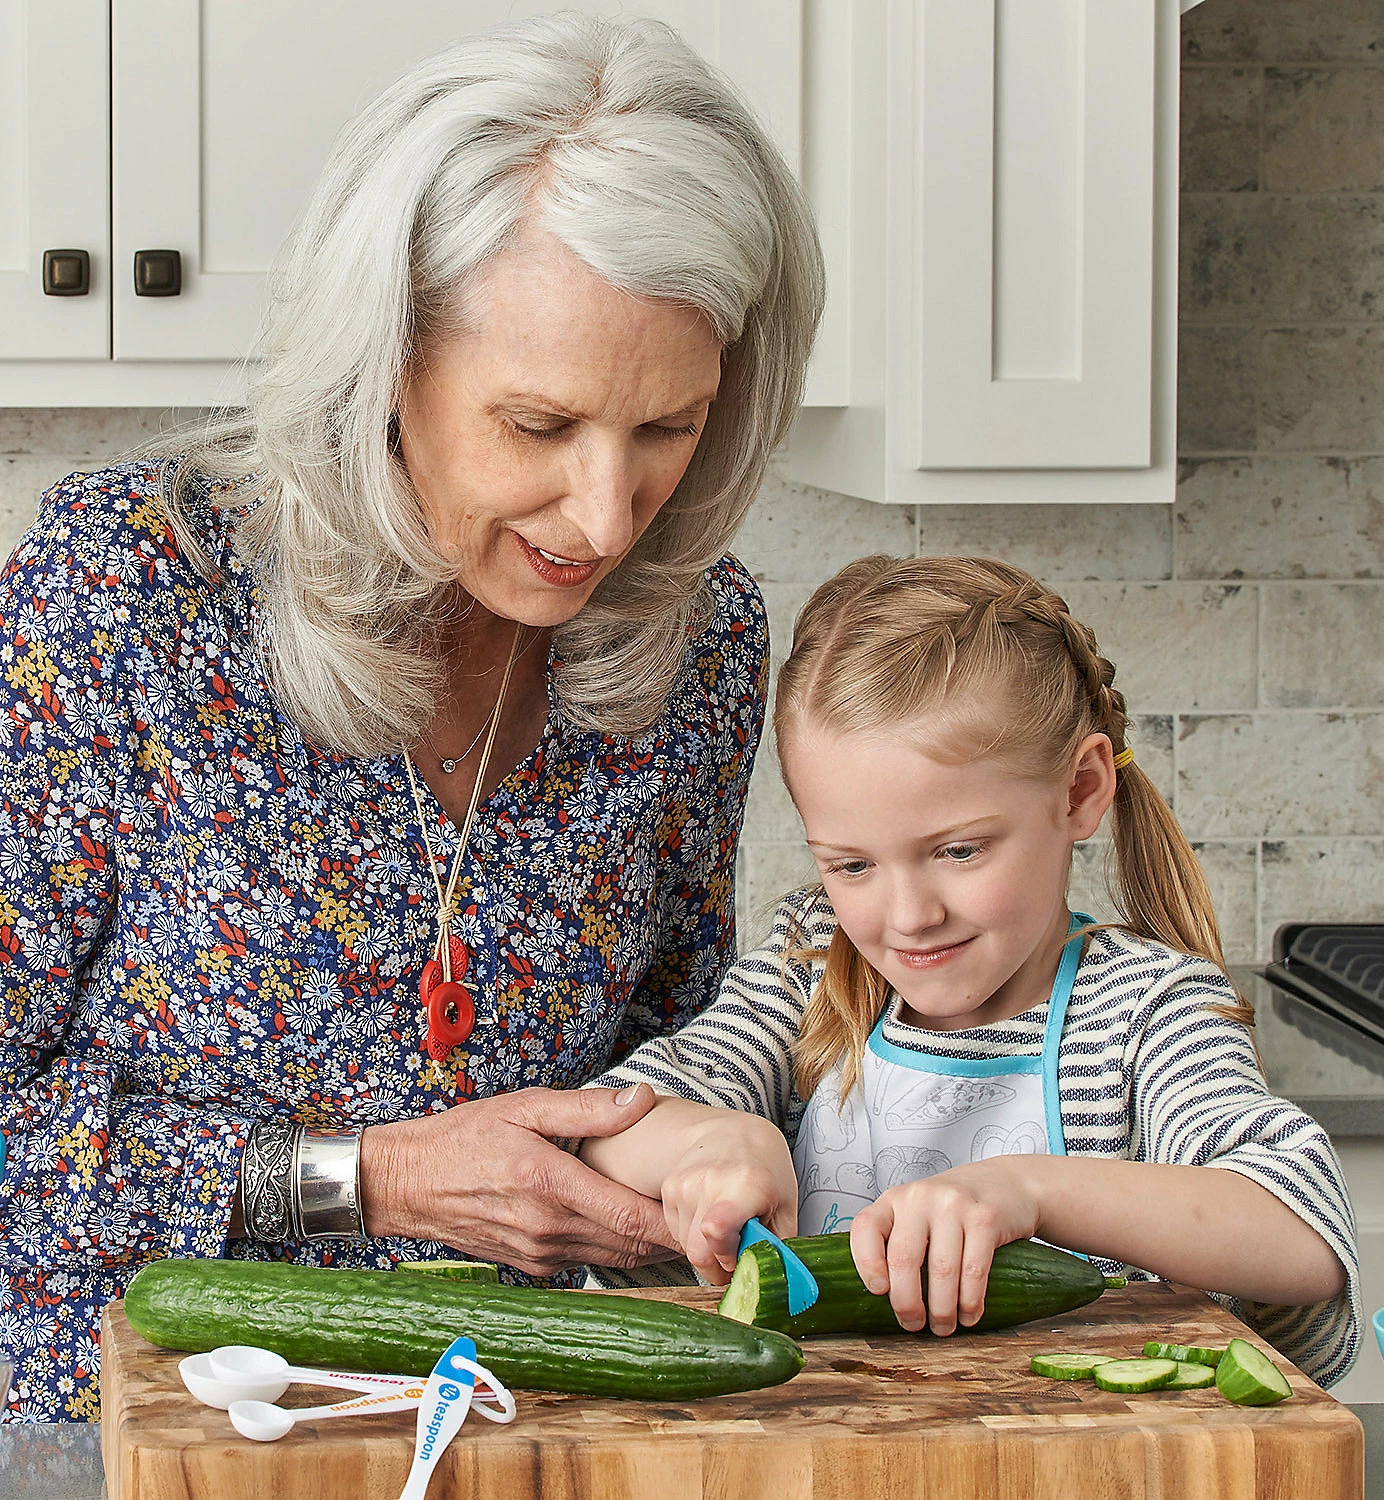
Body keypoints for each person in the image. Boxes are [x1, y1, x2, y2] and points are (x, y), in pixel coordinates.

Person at [0, 13, 823, 1421]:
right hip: (133, 1443)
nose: (607, 515)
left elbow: (676, 1049)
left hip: (530, 1437)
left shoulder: (701, 644)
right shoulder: (125, 600)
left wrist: (716, 1144)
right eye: (538, 425)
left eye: (668, 428)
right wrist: (368, 1178)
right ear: (385, 359)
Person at [581, 555, 1361, 1389]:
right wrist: (715, 1142)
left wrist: (1029, 1191)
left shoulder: (1145, 1013)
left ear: (1080, 791)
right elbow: (605, 1122)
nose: (909, 914)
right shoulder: (810, 974)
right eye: (851, 866)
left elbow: (1301, 1228)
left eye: (958, 851)